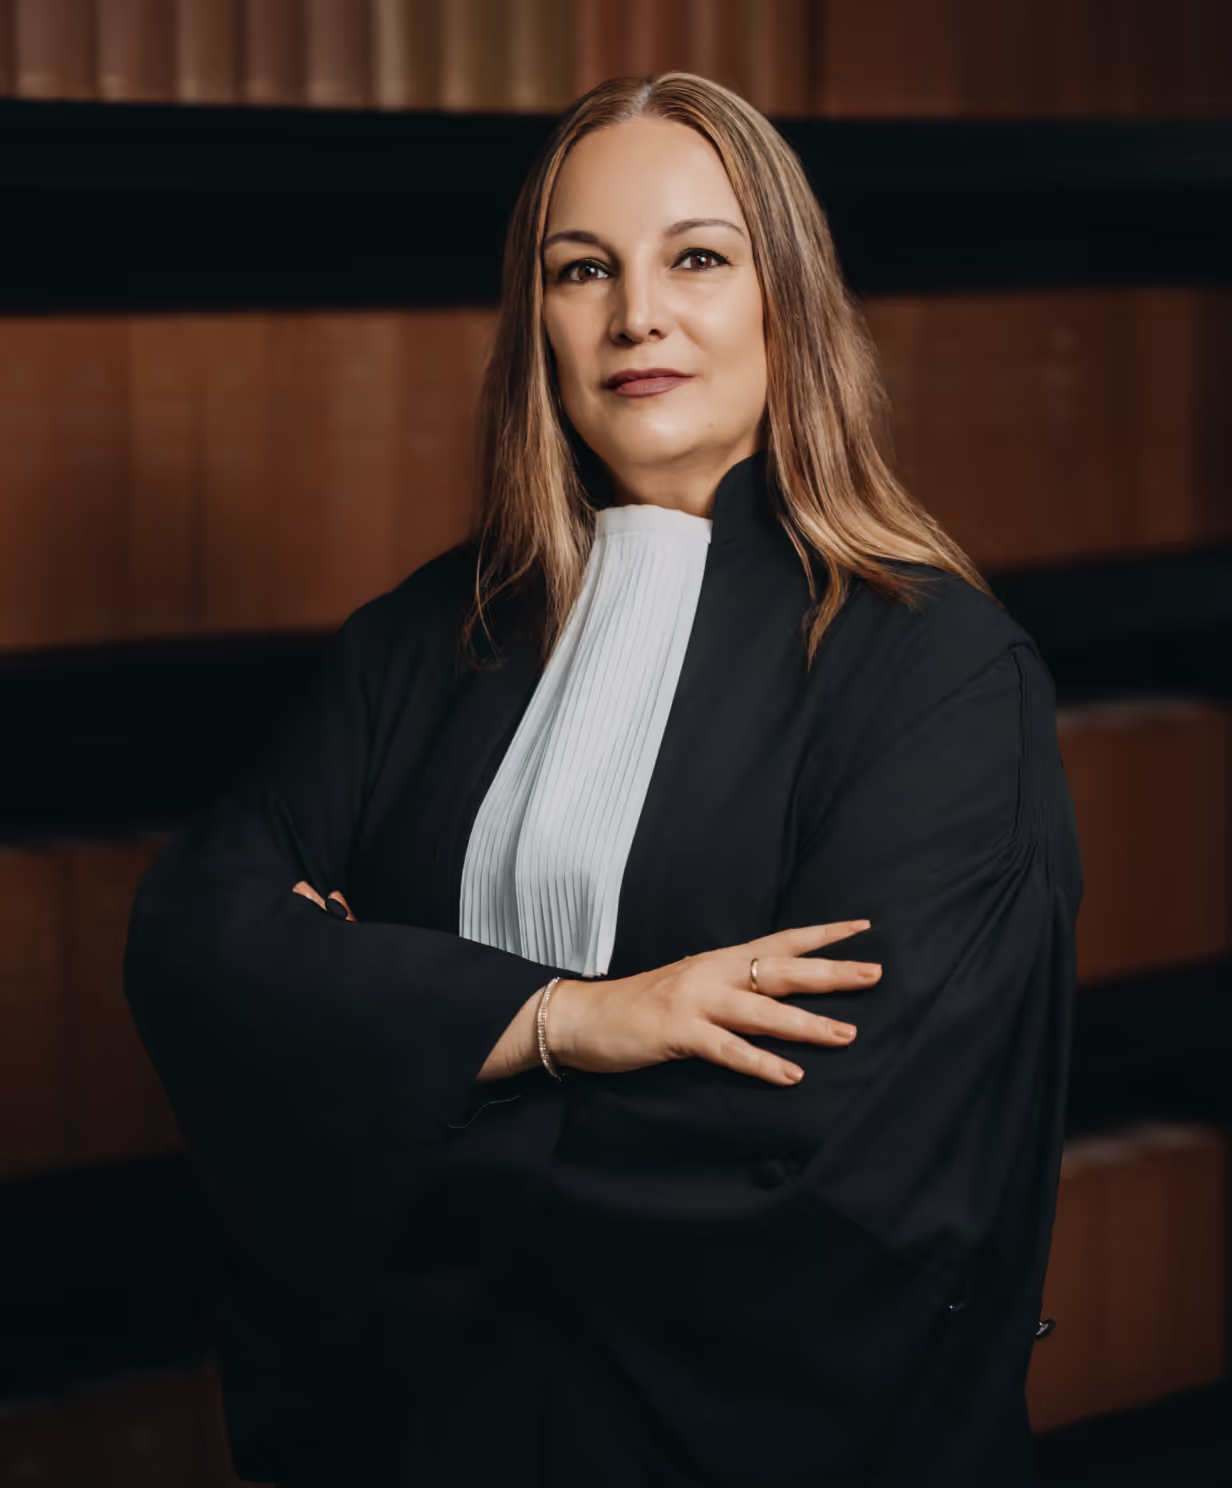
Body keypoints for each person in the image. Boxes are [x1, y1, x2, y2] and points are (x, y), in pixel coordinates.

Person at [124, 72, 1083, 1487]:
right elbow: (195, 946)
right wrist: (564, 1023)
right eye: (585, 270)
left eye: (697, 257)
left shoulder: (937, 673)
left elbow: (834, 1160)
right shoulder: (417, 641)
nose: (638, 313)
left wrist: (377, 1057)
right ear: (540, 326)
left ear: (787, 305)